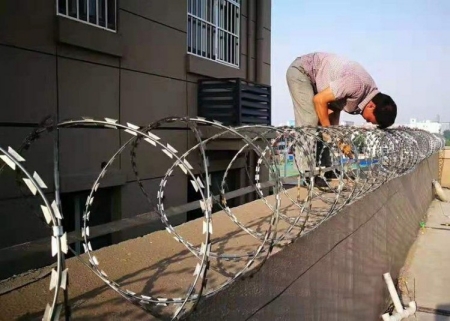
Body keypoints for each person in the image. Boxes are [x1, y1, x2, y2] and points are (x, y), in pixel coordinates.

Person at [286, 52, 397, 187]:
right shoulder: (357, 85)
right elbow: (319, 100)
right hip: (302, 72)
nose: (369, 122)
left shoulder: (364, 95)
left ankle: (327, 170)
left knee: (326, 127)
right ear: (372, 105)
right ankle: (306, 174)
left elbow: (333, 109)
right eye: (372, 120)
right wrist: (330, 132)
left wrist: (337, 138)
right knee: (309, 121)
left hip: (317, 83)